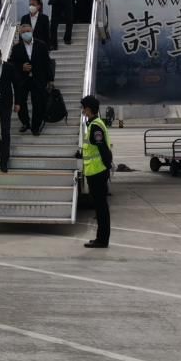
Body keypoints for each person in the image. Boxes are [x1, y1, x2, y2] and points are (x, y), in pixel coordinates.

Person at [8, 23, 54, 135]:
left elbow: (47, 63)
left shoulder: (41, 45)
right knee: (21, 103)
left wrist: (50, 79)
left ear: (32, 31)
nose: (25, 34)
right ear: (20, 34)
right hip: (22, 80)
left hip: (38, 79)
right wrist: (21, 67)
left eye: (27, 31)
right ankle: (25, 123)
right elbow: (12, 63)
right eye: (23, 32)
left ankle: (35, 127)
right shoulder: (16, 48)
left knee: (38, 103)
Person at [79, 96, 113, 249]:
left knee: (101, 208)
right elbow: (92, 148)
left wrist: (106, 168)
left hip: (98, 172)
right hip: (95, 172)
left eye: (83, 107)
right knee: (99, 208)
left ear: (89, 109)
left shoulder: (95, 126)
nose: (82, 110)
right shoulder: (94, 124)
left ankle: (102, 240)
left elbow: (104, 150)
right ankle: (100, 238)